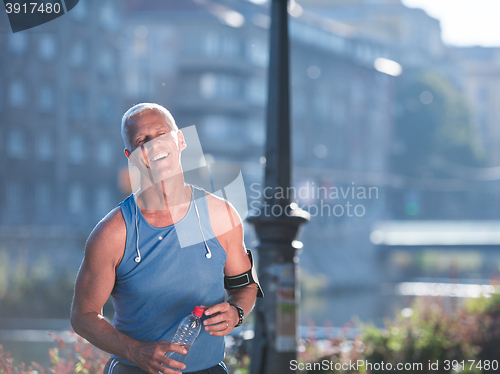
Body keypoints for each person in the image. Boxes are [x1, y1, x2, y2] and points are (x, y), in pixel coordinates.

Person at [70, 103, 263, 374]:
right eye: (142, 141)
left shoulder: (222, 215)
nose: (154, 146)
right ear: (131, 156)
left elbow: (245, 286)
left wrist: (236, 312)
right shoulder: (113, 233)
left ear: (180, 139)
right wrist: (134, 351)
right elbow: (83, 316)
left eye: (161, 134)